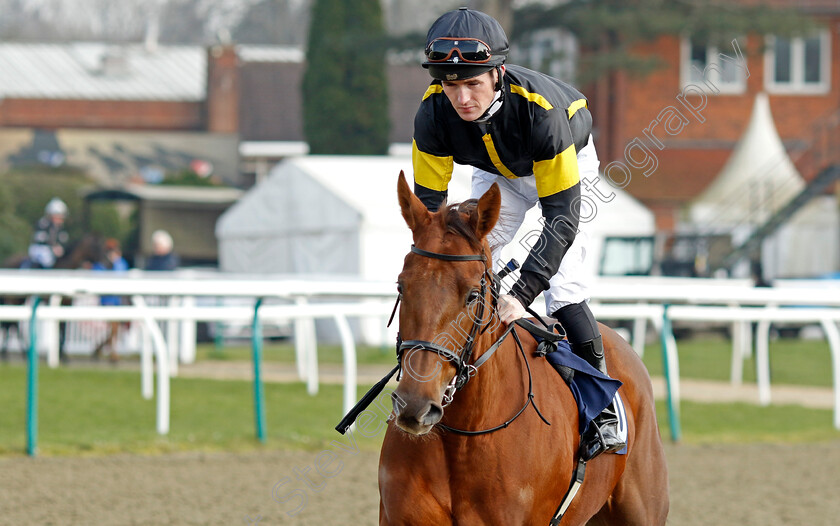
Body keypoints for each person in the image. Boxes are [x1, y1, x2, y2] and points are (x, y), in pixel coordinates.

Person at [411, 7, 623, 459]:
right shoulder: (431, 113)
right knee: (467, 252)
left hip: (564, 166)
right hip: (496, 174)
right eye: (451, 85)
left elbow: (561, 219)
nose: (462, 98)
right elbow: (429, 217)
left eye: (473, 83)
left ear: (498, 73)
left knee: (562, 286)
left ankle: (605, 407)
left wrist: (523, 291)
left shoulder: (542, 115)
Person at [92, 238, 129, 361]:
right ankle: (113, 353)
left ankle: (100, 348)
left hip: (119, 300)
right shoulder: (100, 264)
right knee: (114, 326)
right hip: (107, 299)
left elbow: (122, 273)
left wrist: (115, 263)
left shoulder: (120, 263)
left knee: (115, 327)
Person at [27, 197, 70, 269]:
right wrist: (52, 247)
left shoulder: (61, 228)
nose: (60, 218)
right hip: (39, 248)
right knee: (47, 259)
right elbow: (40, 239)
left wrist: (60, 248)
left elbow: (63, 241)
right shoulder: (43, 224)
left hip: (52, 251)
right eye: (58, 216)